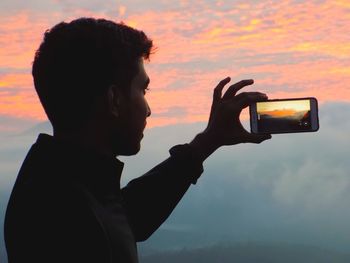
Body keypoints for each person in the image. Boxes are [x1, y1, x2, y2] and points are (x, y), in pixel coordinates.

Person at [4, 17, 271, 263]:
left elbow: (128, 216)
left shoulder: (58, 183)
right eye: (143, 89)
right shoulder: (63, 213)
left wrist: (209, 140)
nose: (148, 109)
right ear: (114, 100)